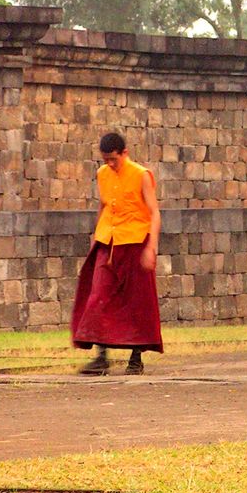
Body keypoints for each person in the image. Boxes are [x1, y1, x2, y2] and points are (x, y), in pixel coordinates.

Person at [71, 132, 163, 375]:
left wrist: (151, 247)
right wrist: (95, 239)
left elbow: (154, 212)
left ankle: (135, 358)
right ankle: (101, 357)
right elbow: (103, 205)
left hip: (135, 241)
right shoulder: (102, 174)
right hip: (108, 240)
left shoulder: (141, 175)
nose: (110, 164)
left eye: (114, 159)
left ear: (125, 153)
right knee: (98, 296)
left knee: (137, 302)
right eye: (106, 160)